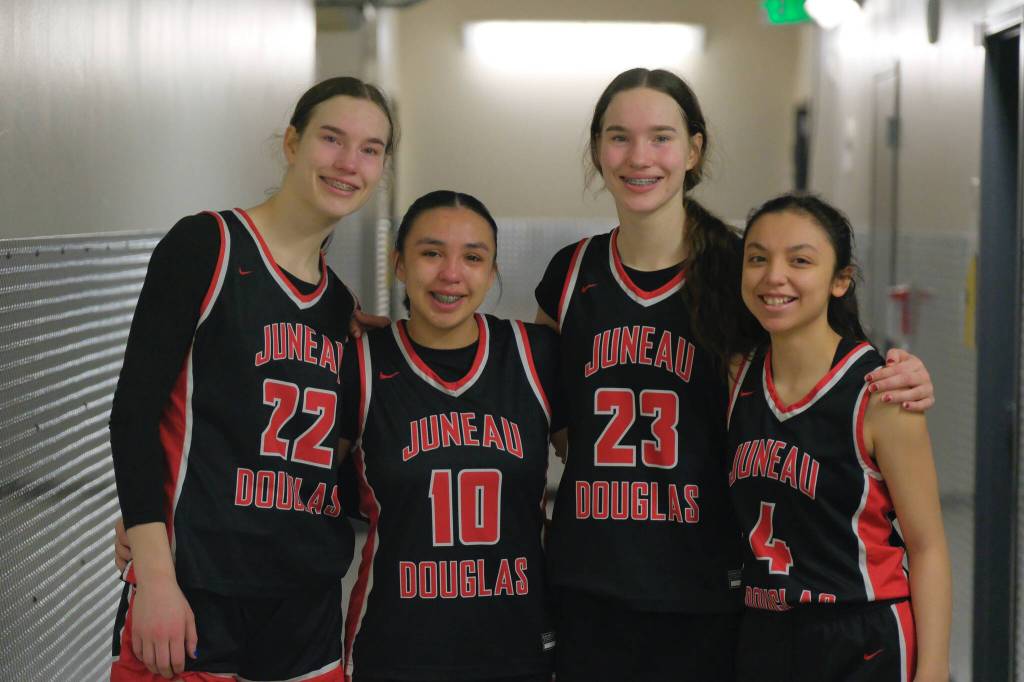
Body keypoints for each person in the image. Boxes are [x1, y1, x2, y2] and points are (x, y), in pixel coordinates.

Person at [533, 68, 936, 681]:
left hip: (712, 584)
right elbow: (542, 406)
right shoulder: (571, 273)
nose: (640, 156)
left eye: (661, 137)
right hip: (591, 578)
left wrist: (902, 373)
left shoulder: (742, 269)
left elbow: (821, 373)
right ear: (596, 149)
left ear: (694, 149)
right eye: (619, 137)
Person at [108, 76, 395, 681]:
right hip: (196, 591)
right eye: (331, 139)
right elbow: (133, 416)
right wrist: (155, 573)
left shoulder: (338, 305)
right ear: (292, 142)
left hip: (304, 603)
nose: (349, 163)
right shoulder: (207, 245)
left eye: (370, 149)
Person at [338, 190, 564, 682]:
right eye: (431, 252)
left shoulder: (536, 357)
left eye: (473, 257)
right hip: (396, 648)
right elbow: (300, 487)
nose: (451, 274)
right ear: (399, 264)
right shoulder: (362, 362)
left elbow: (600, 474)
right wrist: (157, 530)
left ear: (492, 270)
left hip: (519, 644)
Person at [726, 194, 951, 682]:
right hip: (764, 632)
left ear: (840, 280)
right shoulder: (737, 377)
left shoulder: (882, 394)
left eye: (800, 260)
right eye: (758, 258)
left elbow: (928, 546)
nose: (774, 276)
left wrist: (934, 669)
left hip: (862, 635)